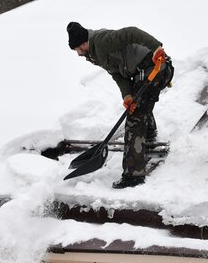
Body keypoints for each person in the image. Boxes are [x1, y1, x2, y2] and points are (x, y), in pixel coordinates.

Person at [67, 22, 174, 188]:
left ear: (83, 44)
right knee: (137, 104)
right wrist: (127, 95)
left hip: (156, 66)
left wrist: (156, 48)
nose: (78, 53)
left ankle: (133, 175)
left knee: (134, 117)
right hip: (141, 72)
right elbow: (117, 73)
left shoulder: (102, 41)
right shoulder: (93, 54)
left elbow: (131, 32)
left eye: (76, 49)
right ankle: (149, 134)